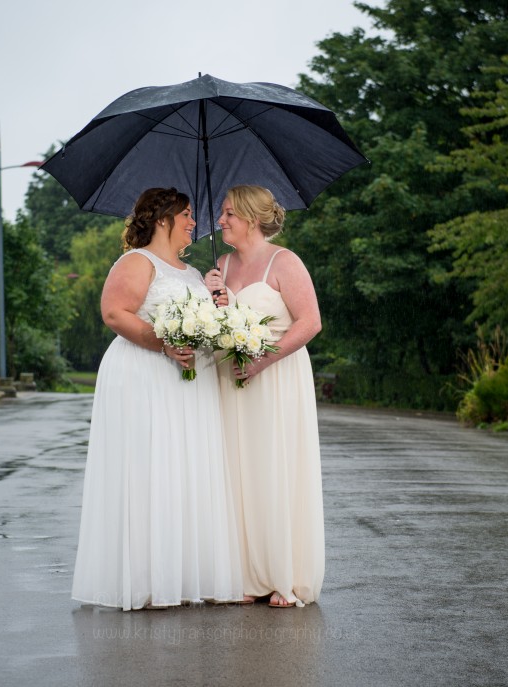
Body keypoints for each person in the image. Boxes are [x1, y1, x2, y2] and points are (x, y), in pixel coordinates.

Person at [71, 187, 243, 610]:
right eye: (187, 215)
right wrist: (162, 343)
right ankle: (146, 581)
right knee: (150, 467)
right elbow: (114, 313)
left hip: (189, 382)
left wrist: (219, 303)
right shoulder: (137, 262)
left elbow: (203, 325)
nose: (194, 223)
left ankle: (180, 577)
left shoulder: (190, 273)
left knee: (183, 469)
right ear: (163, 218)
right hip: (144, 376)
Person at [204, 185, 325, 608]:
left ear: (252, 219)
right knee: (237, 473)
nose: (220, 221)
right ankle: (245, 575)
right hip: (230, 379)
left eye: (228, 214)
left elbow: (310, 323)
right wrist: (213, 299)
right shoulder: (220, 265)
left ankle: (283, 577)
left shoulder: (284, 261)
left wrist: (262, 359)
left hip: (275, 379)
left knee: (275, 469)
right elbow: (217, 326)